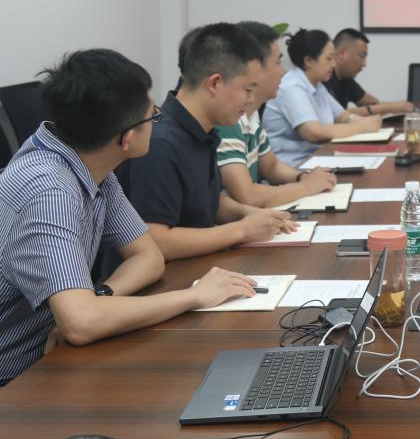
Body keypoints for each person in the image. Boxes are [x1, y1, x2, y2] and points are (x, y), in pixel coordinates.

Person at [0, 49, 259, 386]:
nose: (157, 122)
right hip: (14, 378)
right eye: (153, 116)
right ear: (126, 138)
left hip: (49, 358)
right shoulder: (49, 192)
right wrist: (194, 296)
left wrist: (101, 297)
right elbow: (81, 323)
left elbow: (148, 257)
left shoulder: (91, 161)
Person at [117, 24, 296, 261]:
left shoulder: (203, 130)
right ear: (215, 83)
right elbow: (156, 241)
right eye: (247, 89)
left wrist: (249, 214)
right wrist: (242, 230)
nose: (251, 99)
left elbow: (207, 204)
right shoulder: (160, 144)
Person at [215, 21, 338, 208]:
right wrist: (306, 187)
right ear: (254, 68)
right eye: (278, 63)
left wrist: (302, 176)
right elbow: (248, 196)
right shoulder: (228, 120)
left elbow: (271, 166)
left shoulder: (252, 114)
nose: (284, 71)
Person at [263, 29, 382, 167]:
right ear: (309, 61)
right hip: (294, 168)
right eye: (329, 59)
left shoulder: (317, 85)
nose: (334, 64)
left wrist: (359, 120)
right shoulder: (291, 87)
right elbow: (314, 133)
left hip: (318, 160)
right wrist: (362, 127)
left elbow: (342, 115)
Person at [324, 28, 414, 116]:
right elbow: (334, 115)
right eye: (362, 56)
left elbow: (370, 102)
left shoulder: (346, 78)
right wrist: (389, 107)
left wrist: (396, 107)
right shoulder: (323, 77)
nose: (364, 64)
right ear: (342, 53)